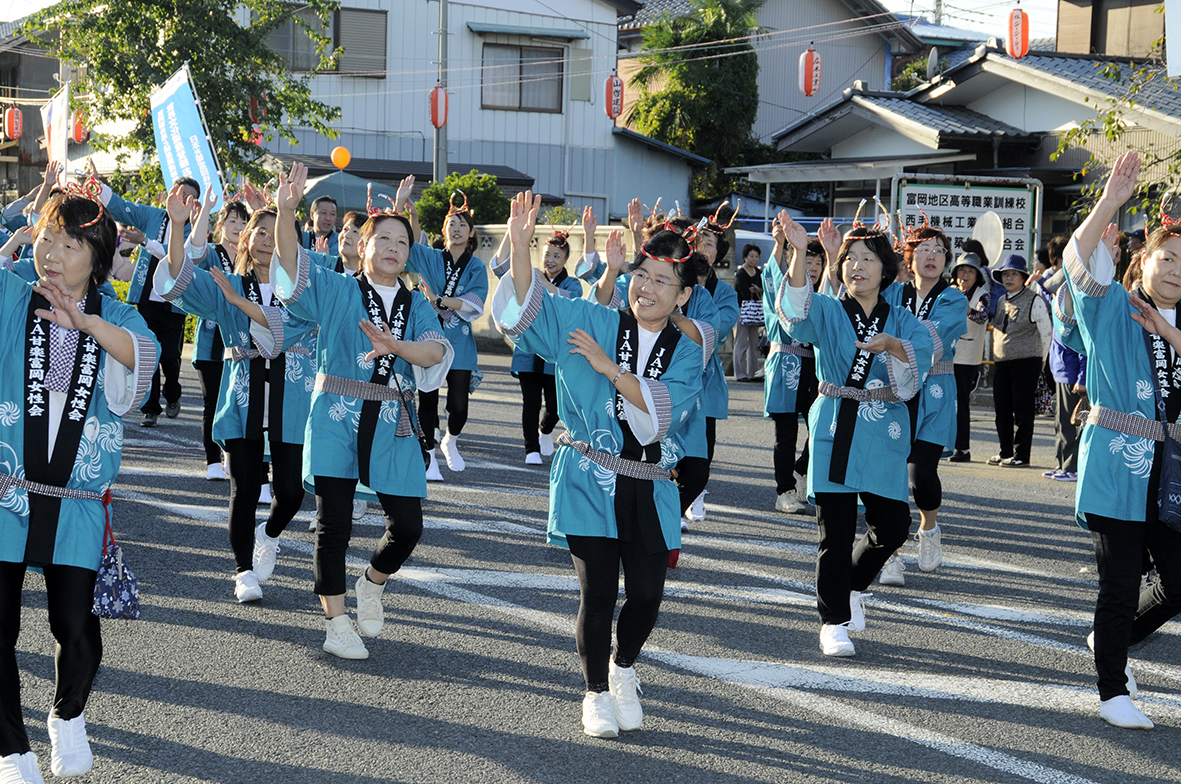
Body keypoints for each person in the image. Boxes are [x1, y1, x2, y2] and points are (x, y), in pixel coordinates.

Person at [493, 191, 703, 739]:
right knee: (599, 593)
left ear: (681, 295)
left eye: (663, 281)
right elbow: (529, 308)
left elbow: (659, 415)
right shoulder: (589, 318)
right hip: (588, 477)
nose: (648, 288)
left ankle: (624, 666)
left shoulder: (686, 349)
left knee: (649, 596)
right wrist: (519, 247)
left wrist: (611, 370)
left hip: (651, 484)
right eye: (643, 275)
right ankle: (594, 692)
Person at [0, 183, 160, 783]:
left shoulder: (118, 316)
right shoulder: (13, 297)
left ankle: (68, 715)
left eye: (68, 244)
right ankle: (12, 753)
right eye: (46, 240)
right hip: (7, 492)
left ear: (97, 253)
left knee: (75, 626)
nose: (51, 254)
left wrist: (86, 322)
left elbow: (140, 363)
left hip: (77, 503)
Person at [272, 164, 453, 661]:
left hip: (393, 420)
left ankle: (372, 581)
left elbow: (435, 354)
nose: (393, 247)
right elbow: (290, 271)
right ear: (363, 245)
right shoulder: (337, 288)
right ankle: (336, 621)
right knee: (334, 524)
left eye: (402, 241)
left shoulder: (416, 304)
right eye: (384, 238)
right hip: (335, 415)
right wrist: (287, 211)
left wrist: (397, 345)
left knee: (409, 526)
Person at [773, 208, 933, 658]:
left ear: (886, 269)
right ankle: (833, 621)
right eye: (849, 259)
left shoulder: (902, 319)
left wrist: (894, 345)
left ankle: (853, 587)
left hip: (883, 428)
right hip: (835, 424)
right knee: (835, 532)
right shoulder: (828, 309)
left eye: (867, 258)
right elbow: (793, 311)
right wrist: (801, 252)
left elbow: (922, 358)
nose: (856, 266)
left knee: (894, 524)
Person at [1058, 151, 1181, 729]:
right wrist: (1110, 200)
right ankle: (1112, 690)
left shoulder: (1176, 329)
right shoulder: (1115, 309)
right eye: (1168, 257)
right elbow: (1077, 262)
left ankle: (1112, 638)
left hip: (1172, 472)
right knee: (1120, 581)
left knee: (1178, 581)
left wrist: (1171, 333)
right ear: (1143, 260)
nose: (1177, 269)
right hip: (1116, 464)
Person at [155, 186, 318, 604]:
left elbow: (288, 330)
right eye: (259, 232)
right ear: (244, 239)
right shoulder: (226, 282)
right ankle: (243, 571)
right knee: (243, 488)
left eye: (276, 232)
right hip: (243, 398)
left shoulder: (304, 292)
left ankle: (271, 532)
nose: (267, 240)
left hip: (292, 402)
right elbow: (177, 283)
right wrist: (177, 226)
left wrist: (240, 304)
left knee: (292, 492)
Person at [878, 223, 967, 580]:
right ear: (909, 257)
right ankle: (891, 552)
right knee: (890, 471)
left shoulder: (954, 298)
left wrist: (893, 340)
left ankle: (929, 528)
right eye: (924, 249)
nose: (931, 256)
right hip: (894, 388)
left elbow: (932, 337)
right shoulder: (893, 293)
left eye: (939, 250)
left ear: (947, 260)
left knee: (921, 472)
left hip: (935, 391)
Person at [93, 163, 198, 427]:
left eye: (188, 197)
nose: (181, 199)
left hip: (176, 302)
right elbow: (121, 207)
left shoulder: (195, 230)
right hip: (146, 298)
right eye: (178, 192)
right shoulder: (152, 216)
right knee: (147, 350)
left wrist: (145, 242)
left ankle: (172, 394)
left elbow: (178, 256)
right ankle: (150, 409)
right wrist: (99, 186)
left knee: (170, 357)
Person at [402, 184, 488, 478]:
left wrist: (440, 300)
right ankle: (428, 456)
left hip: (460, 343)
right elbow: (411, 247)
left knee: (459, 406)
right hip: (429, 337)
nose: (456, 228)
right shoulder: (431, 257)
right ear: (444, 229)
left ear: (471, 233)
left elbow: (474, 301)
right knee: (427, 398)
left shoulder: (476, 267)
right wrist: (410, 214)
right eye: (451, 223)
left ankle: (450, 438)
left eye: (462, 224)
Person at [489, 216, 585, 463]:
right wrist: (513, 236)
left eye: (556, 256)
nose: (550, 260)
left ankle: (545, 430)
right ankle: (530, 448)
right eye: (547, 254)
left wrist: (542, 283)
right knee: (530, 401)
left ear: (565, 260)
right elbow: (500, 269)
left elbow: (568, 301)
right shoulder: (528, 275)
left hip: (556, 353)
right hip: (528, 351)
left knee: (555, 406)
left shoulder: (573, 284)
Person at [764, 226, 825, 514]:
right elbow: (771, 276)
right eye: (807, 261)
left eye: (817, 263)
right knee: (785, 434)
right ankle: (784, 490)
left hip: (816, 367)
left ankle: (802, 470)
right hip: (786, 364)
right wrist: (779, 244)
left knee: (821, 426)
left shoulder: (823, 292)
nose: (812, 268)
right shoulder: (783, 283)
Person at [189, 199, 249, 481]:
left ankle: (232, 453)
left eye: (242, 221)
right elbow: (195, 253)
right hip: (212, 341)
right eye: (232, 221)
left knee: (239, 400)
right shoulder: (213, 253)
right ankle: (212, 459)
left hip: (244, 341)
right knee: (213, 400)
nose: (237, 227)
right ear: (220, 225)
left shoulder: (251, 256)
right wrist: (201, 215)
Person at [988, 254, 1051, 468]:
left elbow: (1046, 331)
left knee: (1022, 410)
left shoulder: (1034, 299)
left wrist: (1043, 359)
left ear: (1023, 276)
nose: (1008, 278)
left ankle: (1022, 454)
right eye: (1005, 274)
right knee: (1001, 408)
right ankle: (1005, 451)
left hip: (1027, 360)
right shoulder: (1000, 300)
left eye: (1014, 274)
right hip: (1002, 361)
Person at [947, 253, 991, 462]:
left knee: (960, 403)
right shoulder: (949, 292)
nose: (965, 274)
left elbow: (982, 317)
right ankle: (945, 444)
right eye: (962, 270)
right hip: (945, 355)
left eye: (970, 270)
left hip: (966, 358)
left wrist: (968, 309)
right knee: (944, 401)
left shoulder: (982, 294)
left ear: (977, 276)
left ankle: (962, 448)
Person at [733, 243, 764, 382]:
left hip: (755, 310)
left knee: (753, 343)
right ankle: (740, 373)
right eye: (751, 256)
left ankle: (753, 372)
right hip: (742, 310)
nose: (754, 259)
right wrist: (755, 289)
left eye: (756, 256)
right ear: (745, 257)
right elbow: (744, 292)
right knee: (741, 342)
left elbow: (763, 288)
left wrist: (757, 289)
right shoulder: (740, 273)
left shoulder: (758, 272)